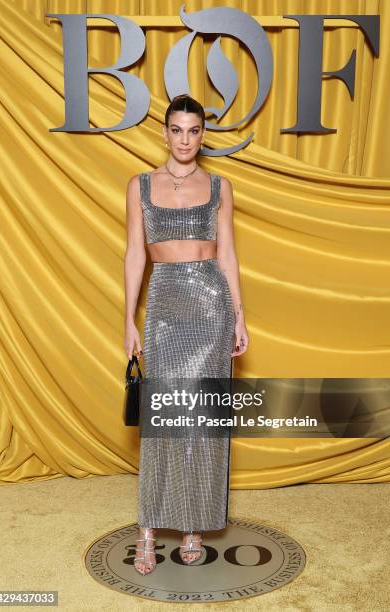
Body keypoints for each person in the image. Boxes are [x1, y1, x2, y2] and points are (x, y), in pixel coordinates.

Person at [124, 94, 249, 575]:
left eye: (193, 131)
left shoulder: (220, 185)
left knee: (204, 419)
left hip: (212, 306)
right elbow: (136, 253)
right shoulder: (139, 185)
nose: (184, 139)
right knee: (164, 419)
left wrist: (238, 315)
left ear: (202, 135)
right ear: (164, 132)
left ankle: (194, 524)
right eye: (176, 129)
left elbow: (228, 256)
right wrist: (128, 319)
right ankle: (149, 528)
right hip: (164, 305)